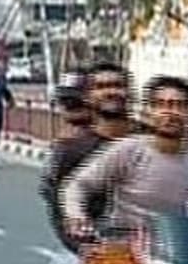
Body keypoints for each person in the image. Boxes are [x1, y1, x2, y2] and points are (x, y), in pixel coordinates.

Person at [64, 75, 188, 252]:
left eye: (179, 105)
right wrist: (76, 216)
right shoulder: (128, 149)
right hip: (123, 245)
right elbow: (79, 185)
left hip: (173, 246)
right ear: (149, 112)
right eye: (162, 104)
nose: (170, 112)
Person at [39, 66, 120, 256]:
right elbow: (52, 198)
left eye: (76, 103)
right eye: (66, 103)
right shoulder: (64, 149)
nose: (70, 110)